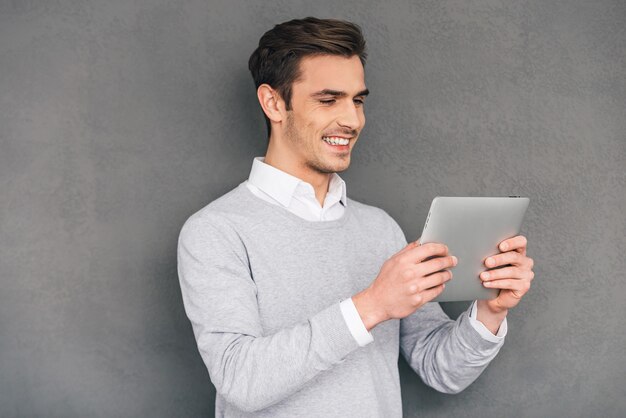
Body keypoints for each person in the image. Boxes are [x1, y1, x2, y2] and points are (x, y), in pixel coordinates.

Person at [177, 17, 535, 418]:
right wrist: (373, 305)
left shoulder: (379, 228)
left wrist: (490, 311)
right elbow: (240, 379)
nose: (352, 120)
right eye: (329, 100)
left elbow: (441, 370)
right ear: (274, 103)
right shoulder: (216, 230)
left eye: (358, 100)